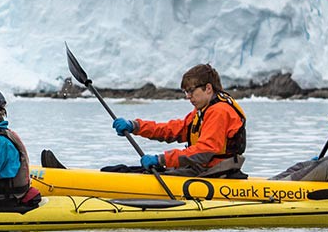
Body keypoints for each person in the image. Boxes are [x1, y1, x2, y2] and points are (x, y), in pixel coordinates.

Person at [106, 63, 247, 178]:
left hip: (217, 173)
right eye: (186, 92)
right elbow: (174, 130)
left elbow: (204, 152)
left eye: (191, 91)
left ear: (208, 88)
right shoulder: (204, 109)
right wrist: (136, 126)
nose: (188, 96)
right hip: (203, 169)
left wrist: (161, 159)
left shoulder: (219, 111)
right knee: (118, 170)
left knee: (143, 174)